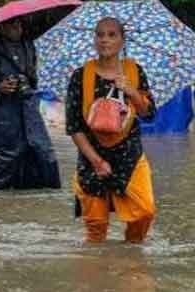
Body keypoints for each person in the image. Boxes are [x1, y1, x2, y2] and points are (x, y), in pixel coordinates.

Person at [66, 17, 157, 244]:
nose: (105, 40)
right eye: (100, 34)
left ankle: (130, 258)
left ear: (122, 41)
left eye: (112, 34)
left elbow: (149, 114)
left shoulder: (134, 71)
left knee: (144, 212)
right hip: (92, 158)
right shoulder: (80, 76)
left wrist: (131, 91)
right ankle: (98, 273)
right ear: (94, 40)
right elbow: (74, 127)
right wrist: (96, 162)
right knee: (96, 228)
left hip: (130, 155)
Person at [0, 18, 61, 190]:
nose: (17, 28)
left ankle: (35, 198)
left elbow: (32, 78)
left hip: (27, 110)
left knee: (43, 155)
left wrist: (28, 84)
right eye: (12, 25)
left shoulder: (28, 45)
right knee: (5, 160)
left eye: (19, 24)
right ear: (2, 27)